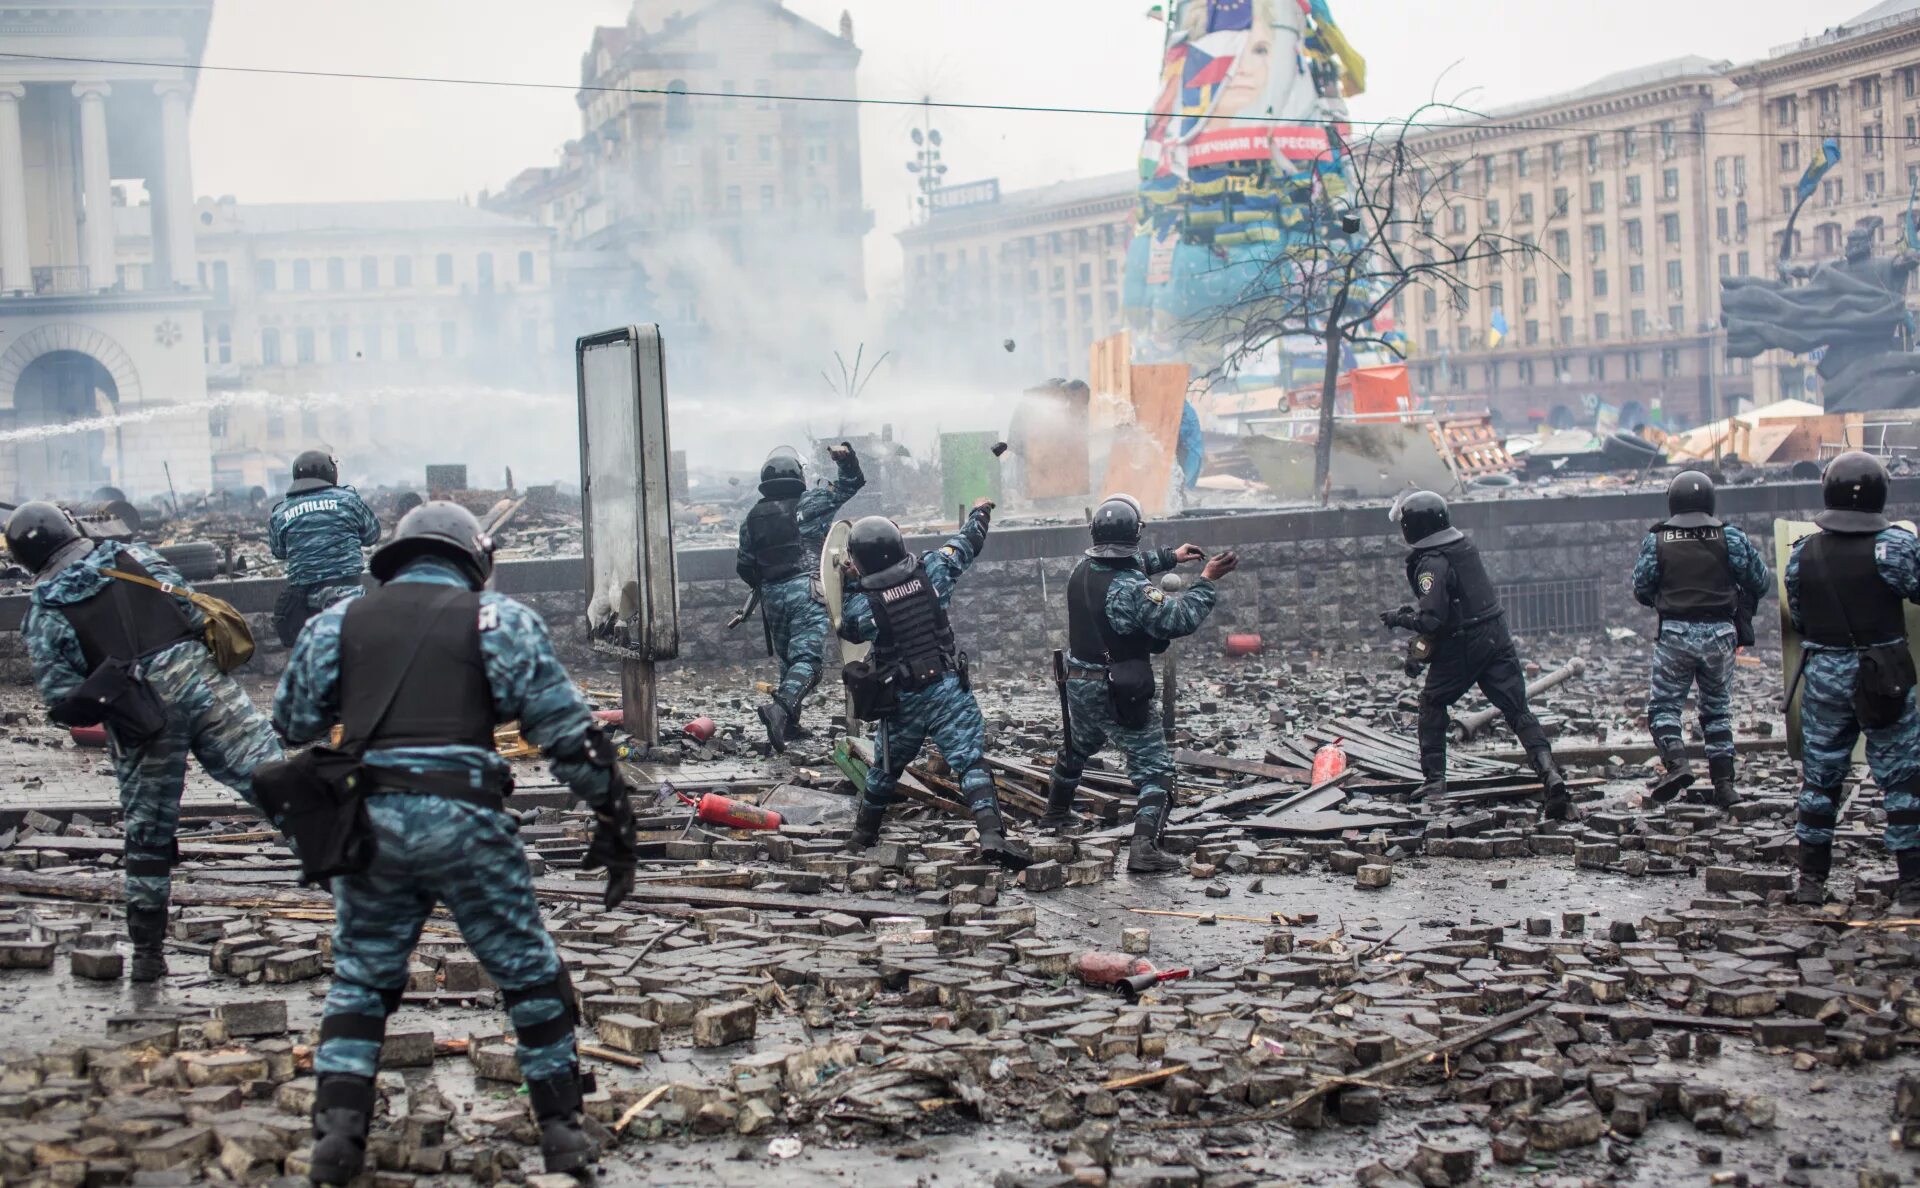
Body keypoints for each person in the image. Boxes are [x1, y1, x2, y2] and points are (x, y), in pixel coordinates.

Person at [272, 503, 635, 1184]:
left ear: (397, 558)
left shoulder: (337, 622)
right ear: (475, 558)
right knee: (528, 973)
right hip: (468, 821)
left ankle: (336, 1144)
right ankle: (563, 1136)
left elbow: (293, 720)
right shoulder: (498, 619)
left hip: (370, 824)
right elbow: (566, 734)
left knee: (360, 980)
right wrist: (614, 820)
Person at [9, 502, 282, 981]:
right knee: (279, 784)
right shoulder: (136, 559)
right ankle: (362, 888)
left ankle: (148, 956)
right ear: (73, 529)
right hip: (206, 692)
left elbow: (62, 698)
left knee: (149, 835)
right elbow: (195, 613)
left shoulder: (46, 609)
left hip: (141, 717)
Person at [1042, 495, 1233, 873]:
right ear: (1135, 533)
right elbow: (1178, 620)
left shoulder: (1081, 569)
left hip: (1078, 682)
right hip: (1116, 690)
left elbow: (1126, 566)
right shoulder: (1132, 588)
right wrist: (1207, 581)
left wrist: (1170, 557)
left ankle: (1056, 813)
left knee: (1077, 747)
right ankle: (1144, 847)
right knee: (1156, 770)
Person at [837, 502, 1032, 869]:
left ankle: (861, 839)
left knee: (884, 769)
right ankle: (991, 836)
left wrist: (848, 585)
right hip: (945, 687)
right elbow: (967, 543)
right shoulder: (934, 570)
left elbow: (847, 628)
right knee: (970, 762)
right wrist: (980, 513)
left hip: (902, 697)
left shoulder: (865, 605)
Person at [1379, 491, 1571, 818]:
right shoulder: (1462, 546)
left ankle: (1435, 782)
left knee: (1433, 703)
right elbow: (1454, 606)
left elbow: (1433, 620)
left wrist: (1401, 619)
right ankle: (1550, 773)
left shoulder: (1431, 562)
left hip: (1463, 643)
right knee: (1517, 709)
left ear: (1415, 527)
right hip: (1496, 634)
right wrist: (1420, 647)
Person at [1784, 451, 1920, 908]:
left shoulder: (1804, 551)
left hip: (1824, 674)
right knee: (1902, 778)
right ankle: (1912, 884)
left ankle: (1810, 883)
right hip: (1885, 674)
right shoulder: (1893, 547)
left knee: (1820, 779)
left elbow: (1799, 616)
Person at [1631, 471, 1773, 807]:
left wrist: (1664, 600)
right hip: (1720, 635)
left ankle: (1678, 764)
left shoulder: (1658, 540)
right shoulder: (1731, 537)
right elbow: (1760, 580)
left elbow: (1641, 587)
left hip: (1675, 634)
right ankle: (1724, 786)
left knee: (1664, 707)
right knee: (1717, 711)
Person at [735, 443, 864, 751]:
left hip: (772, 596)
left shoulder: (751, 518)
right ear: (798, 474)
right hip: (806, 589)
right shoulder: (809, 503)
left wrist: (768, 586)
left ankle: (789, 726)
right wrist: (847, 460)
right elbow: (850, 485)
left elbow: (744, 565)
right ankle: (779, 709)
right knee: (808, 663)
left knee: (789, 661)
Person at [269, 451, 382, 647]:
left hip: (303, 600)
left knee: (311, 655)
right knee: (359, 653)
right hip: (348, 593)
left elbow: (279, 551)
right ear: (331, 473)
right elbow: (372, 535)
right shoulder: (348, 500)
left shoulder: (281, 512)